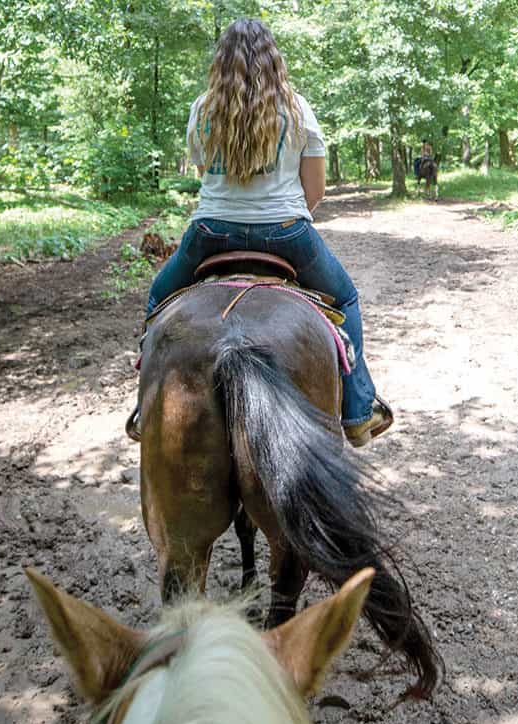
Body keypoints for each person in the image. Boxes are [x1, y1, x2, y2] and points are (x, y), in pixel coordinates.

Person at [129, 18, 392, 447]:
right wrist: (280, 222)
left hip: (210, 232)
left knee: (160, 298)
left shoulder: (202, 109)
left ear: (222, 62)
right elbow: (316, 189)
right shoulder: (296, 108)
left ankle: (147, 407)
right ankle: (359, 411)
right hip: (286, 233)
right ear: (274, 59)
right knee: (345, 298)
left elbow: (204, 177)